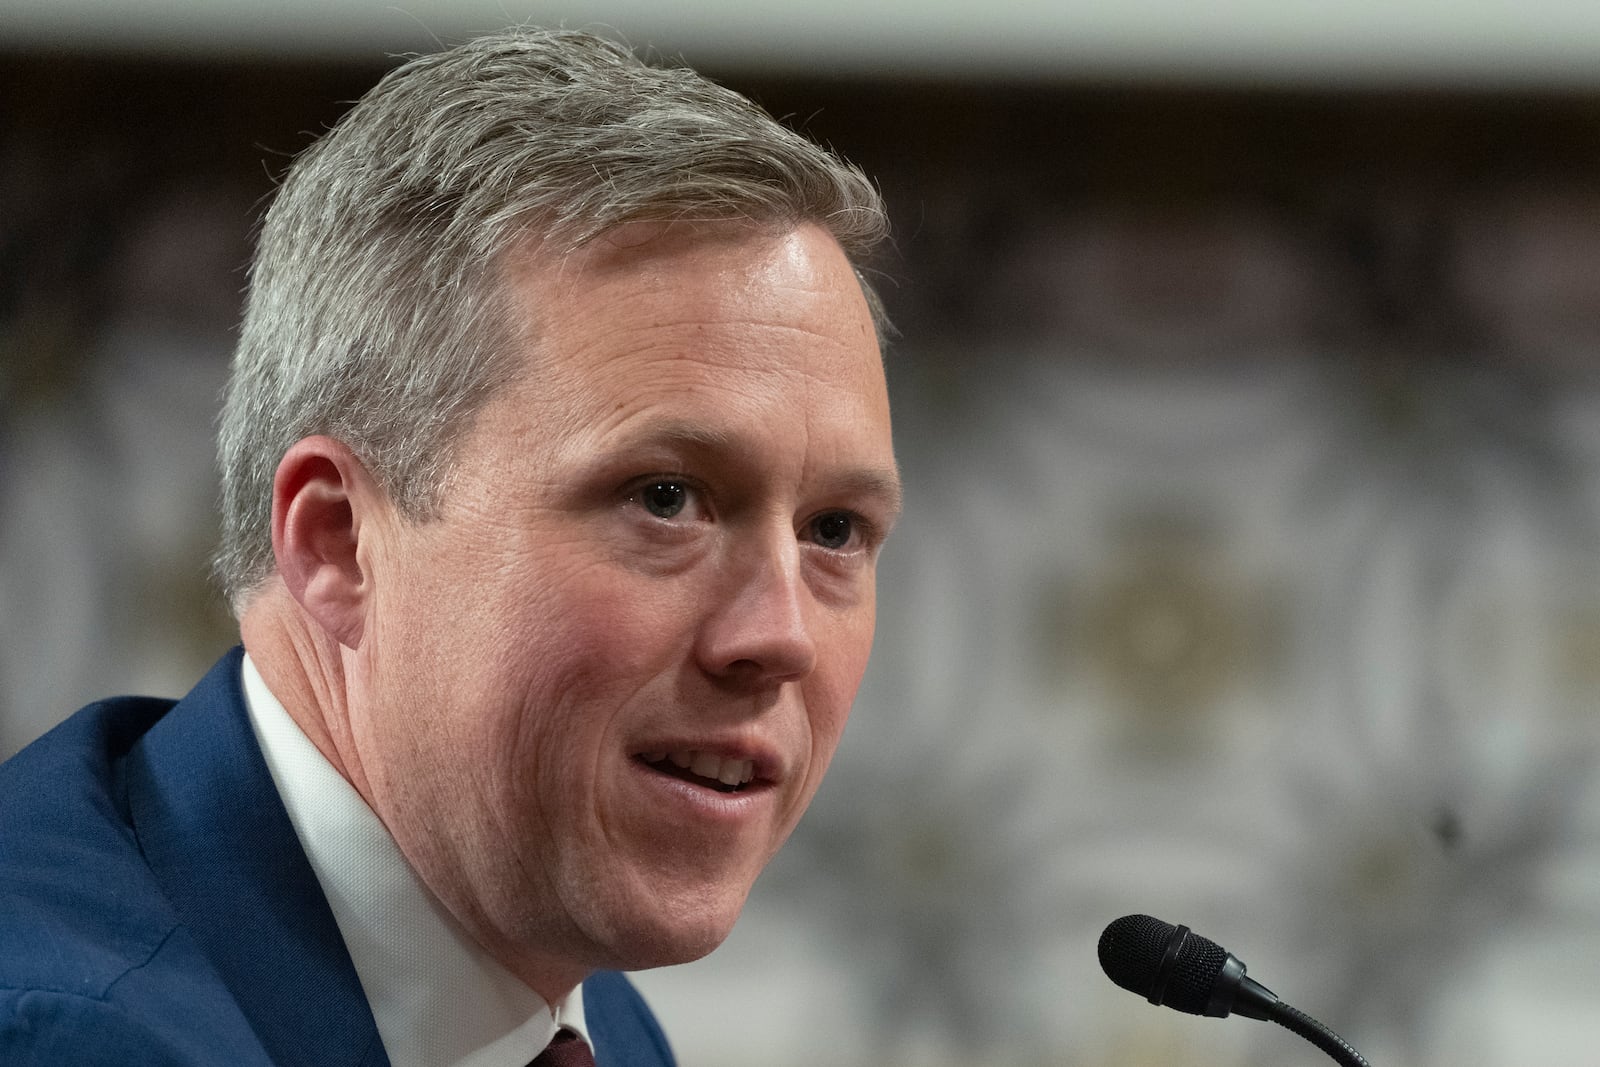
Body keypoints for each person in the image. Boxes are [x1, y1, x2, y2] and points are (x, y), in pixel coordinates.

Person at [0, 27, 901, 1066]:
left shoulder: (571, 1008)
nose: (779, 635)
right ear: (339, 541)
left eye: (834, 529)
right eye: (666, 498)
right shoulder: (76, 1033)